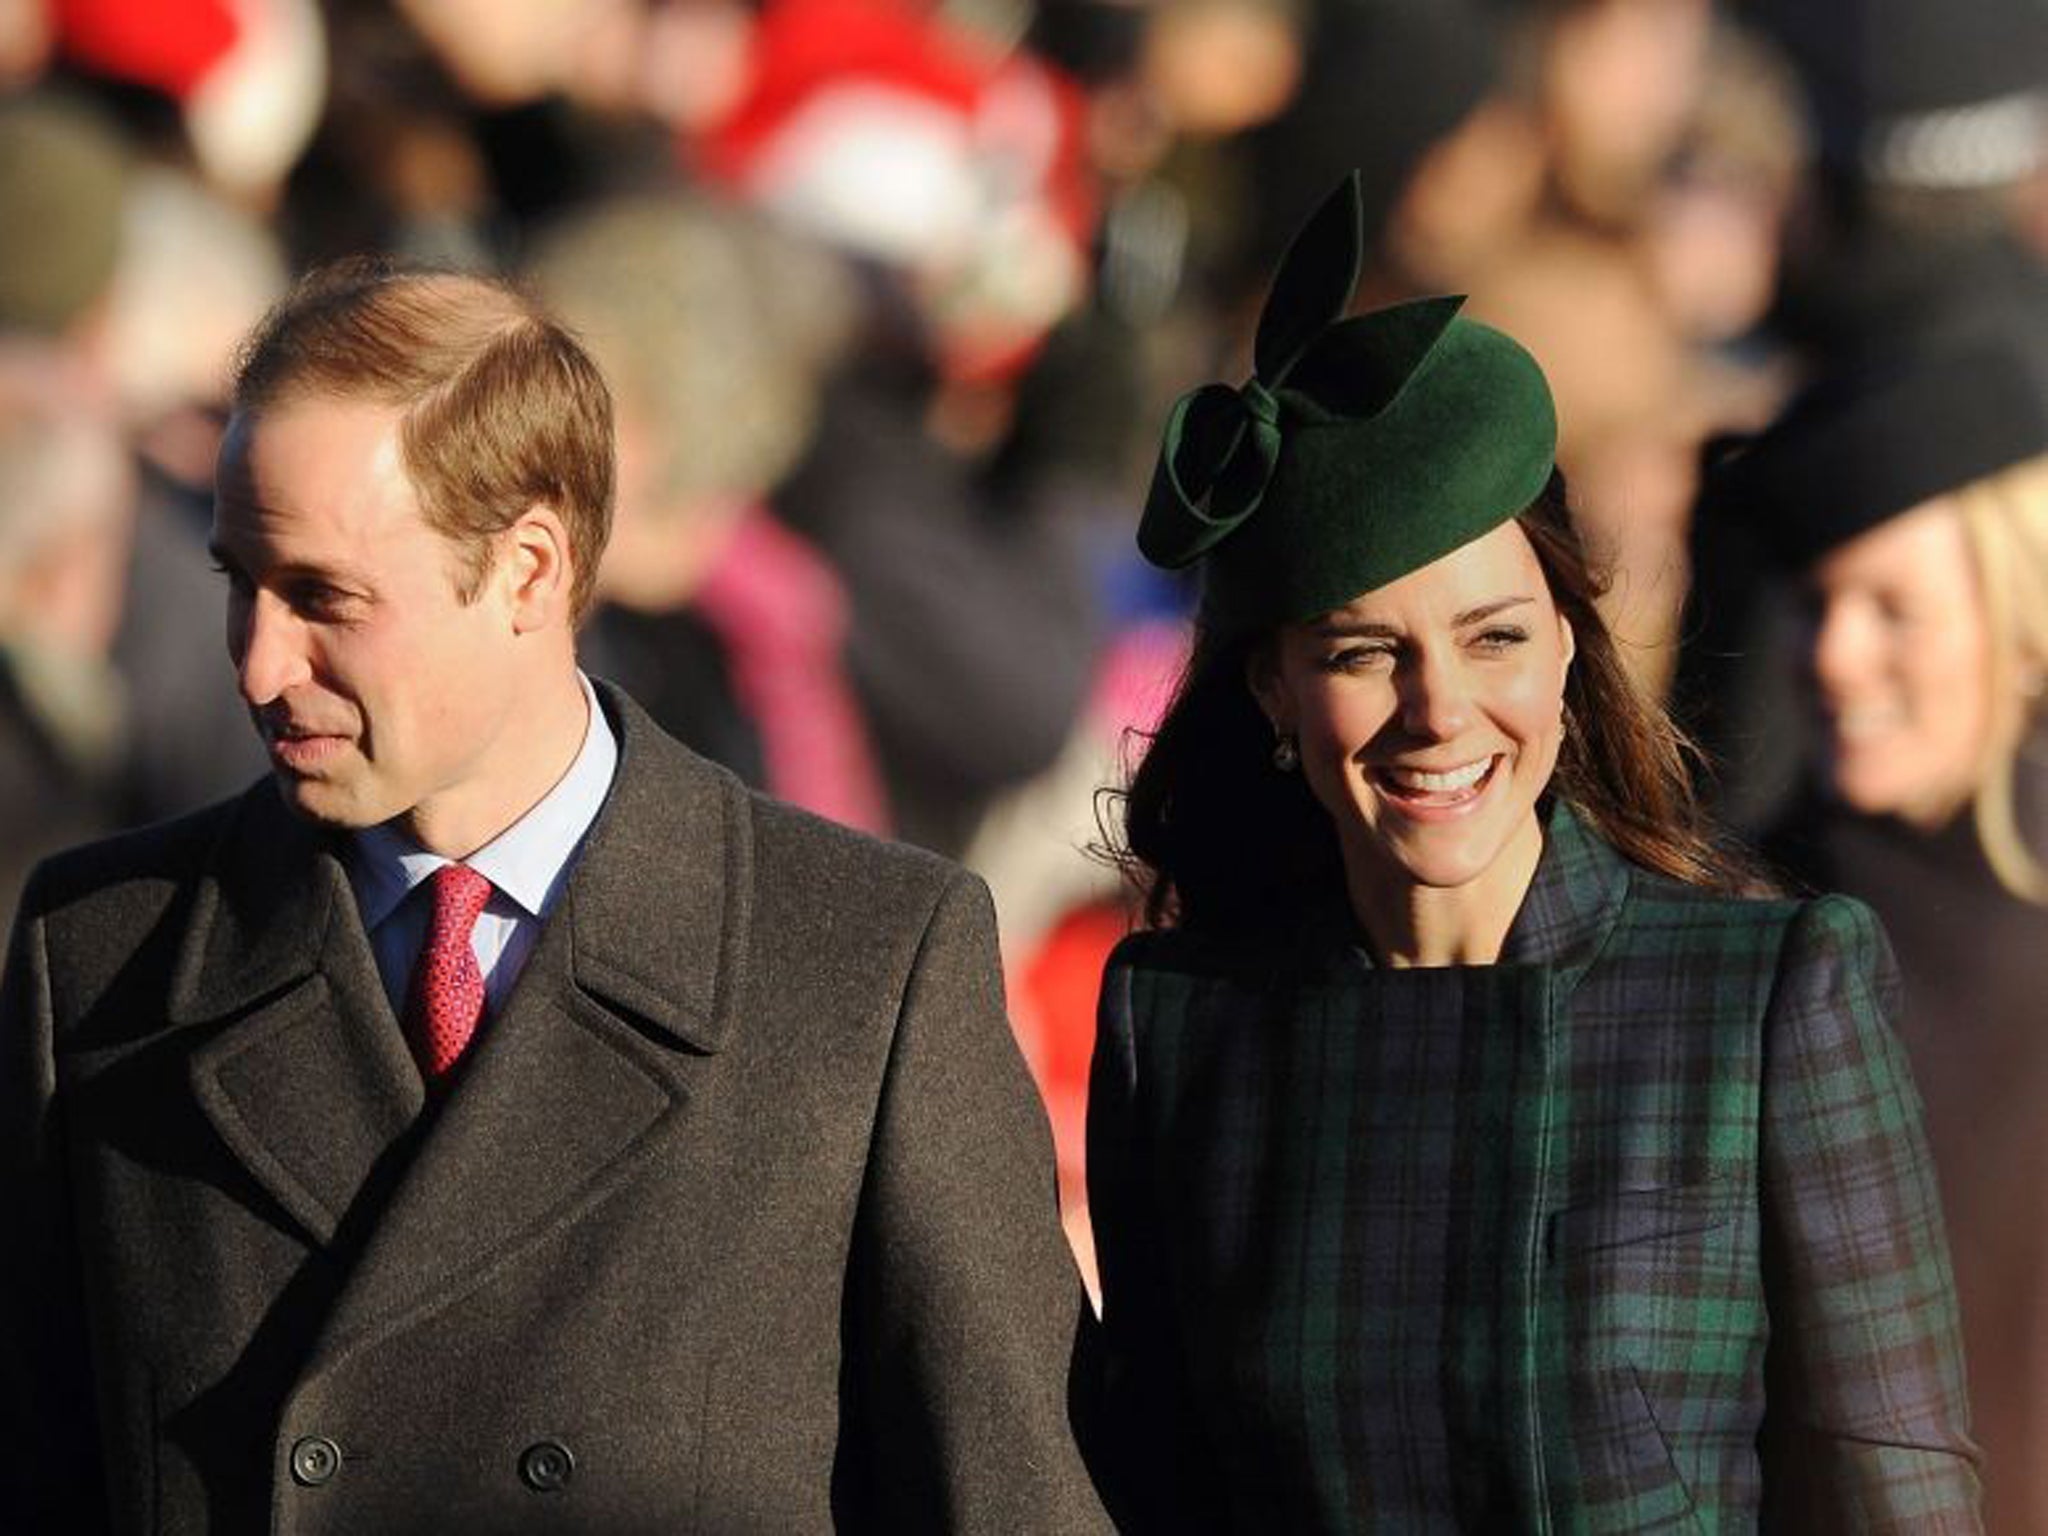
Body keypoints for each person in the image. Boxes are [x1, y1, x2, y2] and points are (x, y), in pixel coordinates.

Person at [0, 260, 1110, 1534]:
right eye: (236, 581)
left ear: (529, 570)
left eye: (324, 598)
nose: (259, 660)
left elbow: (1016, 1495)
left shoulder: (860, 966)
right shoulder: (103, 952)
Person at [1085, 174, 1980, 1530]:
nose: (1439, 710)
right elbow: (1151, 1495)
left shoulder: (1767, 998)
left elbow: (1894, 1491)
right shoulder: (1181, 1032)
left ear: (1570, 645)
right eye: (1363, 651)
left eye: (1494, 635)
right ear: (1271, 689)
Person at [1713, 336, 2048, 1534]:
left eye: (1889, 608)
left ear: (2012, 613)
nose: (1836, 655)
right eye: (1815, 604)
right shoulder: (1745, 915)